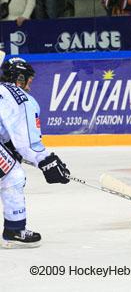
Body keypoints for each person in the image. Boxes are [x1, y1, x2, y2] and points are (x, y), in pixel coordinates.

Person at [0, 57, 71, 249]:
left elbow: (14, 146)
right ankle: (14, 230)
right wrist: (47, 161)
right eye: (28, 81)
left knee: (8, 169)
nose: (29, 86)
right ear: (20, 78)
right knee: (13, 176)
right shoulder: (21, 98)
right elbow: (28, 144)